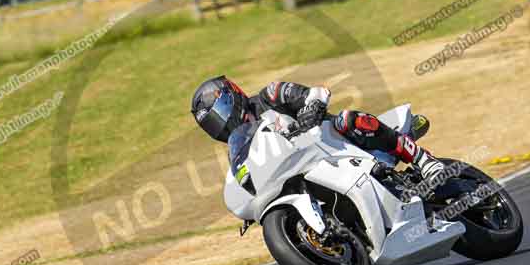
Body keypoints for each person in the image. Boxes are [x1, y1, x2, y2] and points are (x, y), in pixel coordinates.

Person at [190, 75, 445, 183]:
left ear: (230, 99)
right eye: (212, 125)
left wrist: (311, 108)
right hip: (308, 170)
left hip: (337, 141)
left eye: (217, 117)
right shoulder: (243, 147)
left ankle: (423, 159)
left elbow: (317, 92)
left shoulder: (270, 95)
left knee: (348, 119)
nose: (219, 126)